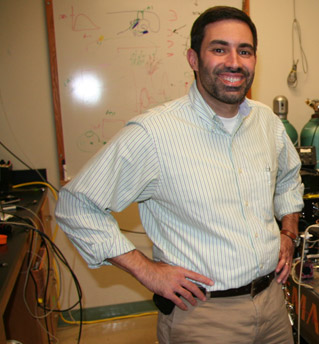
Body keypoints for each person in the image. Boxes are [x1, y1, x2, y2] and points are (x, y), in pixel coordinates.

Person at [55, 6, 303, 343]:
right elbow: (75, 205)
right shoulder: (153, 134)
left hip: (272, 302)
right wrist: (148, 271)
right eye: (219, 49)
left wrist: (288, 233)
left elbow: (289, 178)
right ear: (193, 58)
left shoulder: (267, 123)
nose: (234, 61)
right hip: (203, 317)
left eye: (244, 51)